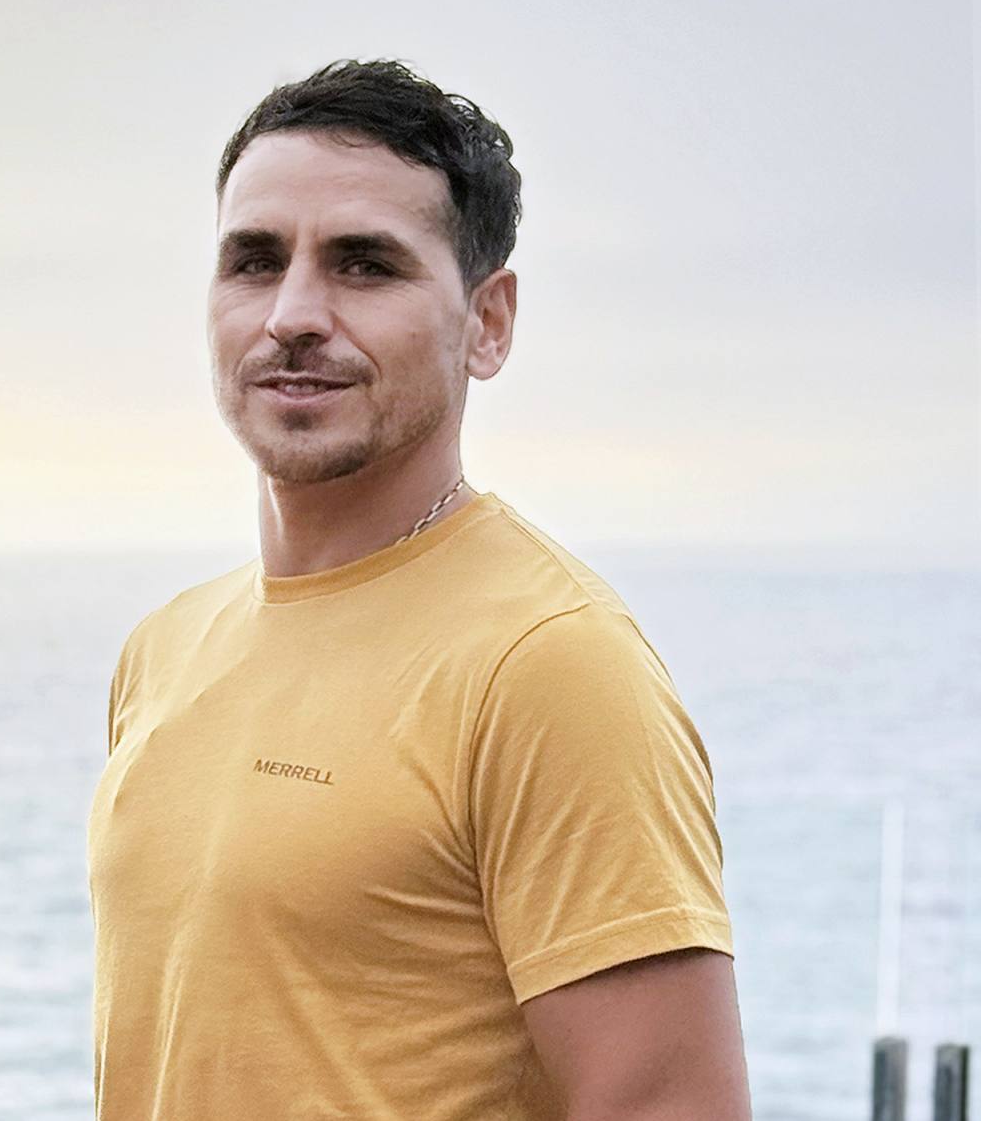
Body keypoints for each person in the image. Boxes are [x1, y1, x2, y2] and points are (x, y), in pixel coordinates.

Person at [86, 61, 750, 1120]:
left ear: (487, 322)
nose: (293, 315)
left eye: (364, 265)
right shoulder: (163, 650)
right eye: (254, 261)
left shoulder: (550, 663)